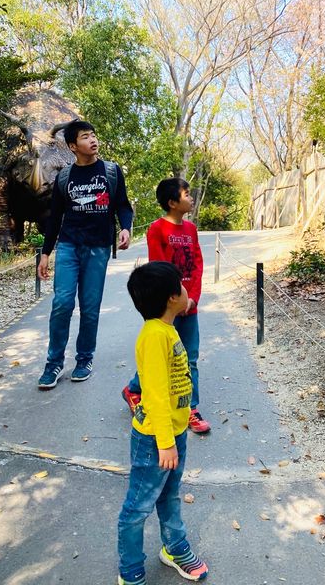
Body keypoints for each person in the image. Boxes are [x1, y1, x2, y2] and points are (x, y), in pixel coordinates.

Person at [117, 261, 209, 585]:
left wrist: (174, 436)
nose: (187, 290)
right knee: (137, 506)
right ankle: (130, 569)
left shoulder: (167, 329)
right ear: (172, 298)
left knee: (169, 495)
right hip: (155, 440)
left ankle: (174, 548)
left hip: (174, 431)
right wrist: (165, 443)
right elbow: (154, 394)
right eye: (182, 286)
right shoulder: (155, 336)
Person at [37, 119, 133, 389]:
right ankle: (54, 363)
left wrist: (125, 228)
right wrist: (45, 253)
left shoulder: (111, 172)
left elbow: (123, 205)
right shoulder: (64, 177)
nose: (93, 140)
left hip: (98, 248)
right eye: (85, 137)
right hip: (68, 246)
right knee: (62, 304)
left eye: (93, 135)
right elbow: (55, 218)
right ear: (72, 146)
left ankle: (84, 359)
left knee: (90, 308)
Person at [122, 178, 211, 434]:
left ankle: (191, 408)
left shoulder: (191, 229)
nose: (191, 197)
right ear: (172, 202)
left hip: (189, 305)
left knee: (190, 357)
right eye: (186, 194)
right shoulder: (157, 229)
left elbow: (197, 265)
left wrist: (192, 298)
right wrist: (175, 300)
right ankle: (134, 388)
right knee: (162, 355)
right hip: (167, 308)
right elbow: (159, 269)